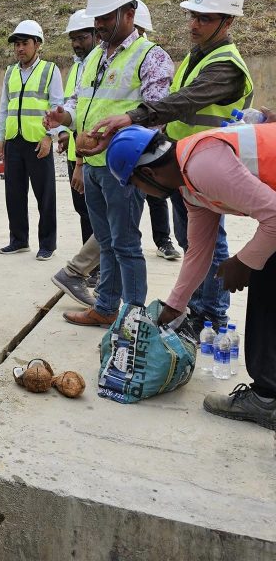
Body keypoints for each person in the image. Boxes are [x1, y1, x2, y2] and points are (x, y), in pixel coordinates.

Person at [86, 0, 254, 333]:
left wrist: (133, 117)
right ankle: (195, 310)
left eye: (204, 19)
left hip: (212, 169)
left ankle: (210, 315)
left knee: (208, 244)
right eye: (193, 16)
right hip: (184, 167)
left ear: (228, 23)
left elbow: (182, 103)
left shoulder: (226, 66)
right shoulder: (198, 57)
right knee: (193, 242)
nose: (194, 25)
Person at [106, 122, 276, 431]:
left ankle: (267, 399)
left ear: (148, 173)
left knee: (266, 281)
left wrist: (245, 261)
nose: (143, 194)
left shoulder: (204, 164)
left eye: (136, 186)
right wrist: (175, 306)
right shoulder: (190, 185)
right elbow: (199, 251)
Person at [43, 0, 174, 327]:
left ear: (129, 13)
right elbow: (81, 104)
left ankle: (133, 319)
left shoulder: (151, 57)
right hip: (95, 166)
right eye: (96, 18)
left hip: (125, 170)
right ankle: (105, 308)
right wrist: (64, 117)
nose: (98, 25)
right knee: (105, 241)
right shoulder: (94, 59)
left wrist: (121, 130)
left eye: (105, 17)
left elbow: (157, 115)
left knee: (127, 245)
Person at [0, 20, 62, 261]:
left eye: (25, 43)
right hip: (14, 140)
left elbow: (57, 106)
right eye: (17, 45)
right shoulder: (11, 72)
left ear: (38, 44)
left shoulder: (49, 70)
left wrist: (49, 137)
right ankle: (19, 240)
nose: (20, 49)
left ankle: (47, 244)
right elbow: (4, 106)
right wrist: (0, 136)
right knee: (13, 193)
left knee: (44, 195)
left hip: (37, 141)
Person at [134, 1, 182, 262]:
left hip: (152, 136)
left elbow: (158, 99)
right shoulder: (114, 57)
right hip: (131, 138)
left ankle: (163, 241)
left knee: (156, 194)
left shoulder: (152, 56)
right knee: (133, 197)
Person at [57, 9, 96, 244]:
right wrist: (63, 131)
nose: (76, 43)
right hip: (75, 150)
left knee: (96, 215)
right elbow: (74, 109)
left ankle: (97, 267)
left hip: (90, 153)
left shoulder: (98, 66)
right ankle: (91, 265)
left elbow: (91, 114)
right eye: (73, 38)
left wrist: (81, 162)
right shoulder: (77, 68)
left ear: (96, 35)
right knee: (83, 211)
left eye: (82, 37)